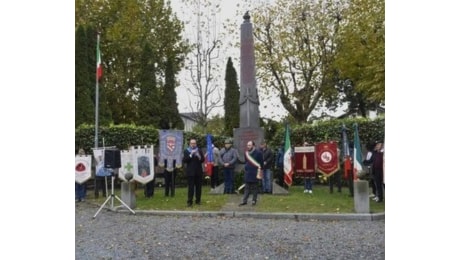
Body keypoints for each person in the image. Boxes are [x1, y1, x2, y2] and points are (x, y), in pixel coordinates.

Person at [239, 140, 264, 206]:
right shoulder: (246, 153)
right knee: (247, 187)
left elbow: (261, 163)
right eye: (247, 145)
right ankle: (244, 201)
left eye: (249, 145)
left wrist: (260, 172)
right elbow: (246, 161)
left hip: (255, 172)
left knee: (255, 188)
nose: (248, 146)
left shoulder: (258, 153)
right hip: (248, 172)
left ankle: (254, 201)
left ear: (253, 145)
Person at [183, 138, 205, 207]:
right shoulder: (186, 151)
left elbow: (203, 160)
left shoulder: (199, 150)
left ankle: (198, 201)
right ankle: (189, 202)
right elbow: (185, 160)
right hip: (190, 172)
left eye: (194, 143)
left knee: (199, 187)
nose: (193, 144)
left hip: (198, 172)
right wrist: (190, 155)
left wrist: (199, 157)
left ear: (196, 144)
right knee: (191, 188)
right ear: (190, 144)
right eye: (192, 143)